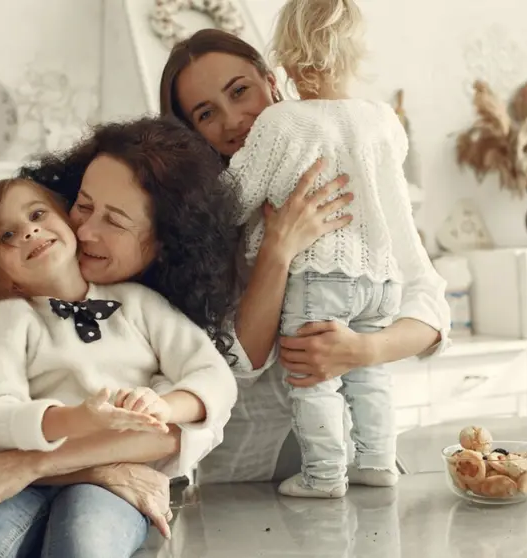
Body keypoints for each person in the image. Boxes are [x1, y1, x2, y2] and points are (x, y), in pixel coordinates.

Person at [0, 117, 241, 558]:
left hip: (78, 488)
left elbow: (192, 406)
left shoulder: (141, 305)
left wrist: (162, 406)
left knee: (86, 542)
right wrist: (92, 453)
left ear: (163, 242)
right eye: (83, 205)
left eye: (114, 220)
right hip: (4, 480)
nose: (85, 230)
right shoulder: (5, 311)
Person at [159, 27, 451, 487]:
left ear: (271, 80)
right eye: (207, 113)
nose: (234, 119)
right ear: (192, 133)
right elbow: (237, 366)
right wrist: (278, 249)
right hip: (248, 476)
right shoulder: (206, 221)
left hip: (360, 466)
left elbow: (430, 305)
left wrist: (364, 350)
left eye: (240, 91)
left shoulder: (348, 166)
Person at [218, 0, 432, 499]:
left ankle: (323, 476)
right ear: (356, 52)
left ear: (284, 63)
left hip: (320, 275)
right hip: (381, 280)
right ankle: (377, 461)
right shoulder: (383, 119)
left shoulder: (283, 123)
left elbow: (234, 201)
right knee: (367, 374)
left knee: (311, 377)